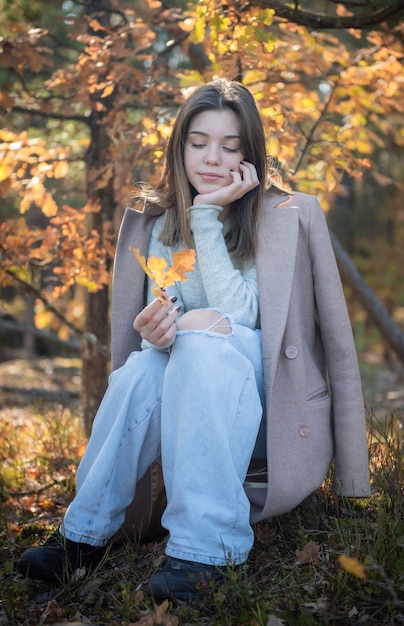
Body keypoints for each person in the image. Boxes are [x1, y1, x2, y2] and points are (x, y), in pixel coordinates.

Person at [17, 78, 371, 601]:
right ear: (179, 145)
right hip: (192, 402)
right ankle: (84, 536)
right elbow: (172, 322)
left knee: (207, 338)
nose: (211, 158)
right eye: (198, 142)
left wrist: (208, 214)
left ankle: (208, 551)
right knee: (142, 366)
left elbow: (249, 318)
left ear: (251, 156)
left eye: (229, 147)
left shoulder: (289, 216)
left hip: (268, 411)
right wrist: (155, 333)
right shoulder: (153, 223)